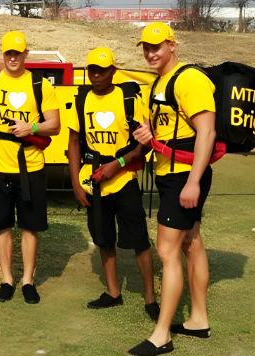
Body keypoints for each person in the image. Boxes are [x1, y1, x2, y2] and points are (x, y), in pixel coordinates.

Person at [128, 22, 216, 356]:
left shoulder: (189, 78)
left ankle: (162, 334)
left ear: (172, 45)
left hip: (184, 176)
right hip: (170, 172)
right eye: (146, 48)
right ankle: (198, 319)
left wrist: (193, 181)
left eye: (157, 46)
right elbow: (169, 127)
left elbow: (205, 132)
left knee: (167, 252)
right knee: (191, 243)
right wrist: (149, 137)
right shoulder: (159, 82)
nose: (151, 53)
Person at [0, 31, 60, 304]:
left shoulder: (40, 85)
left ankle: (28, 280)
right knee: (2, 226)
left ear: (25, 54)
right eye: (8, 52)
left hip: (30, 166)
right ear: (2, 53)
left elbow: (54, 125)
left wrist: (30, 127)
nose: (12, 57)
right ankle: (7, 278)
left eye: (17, 53)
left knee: (30, 227)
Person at [67, 47, 159, 320]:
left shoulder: (129, 98)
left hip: (124, 179)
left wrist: (117, 165)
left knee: (139, 240)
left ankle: (150, 298)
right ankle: (113, 292)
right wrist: (75, 183)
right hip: (94, 181)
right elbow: (73, 143)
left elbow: (145, 141)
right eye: (91, 70)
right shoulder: (82, 100)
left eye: (102, 70)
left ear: (113, 71)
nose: (96, 75)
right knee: (103, 238)